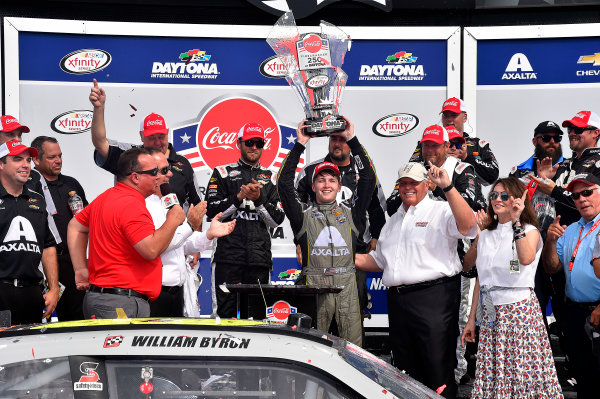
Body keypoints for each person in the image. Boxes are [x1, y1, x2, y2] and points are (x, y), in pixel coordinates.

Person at [355, 162, 477, 398]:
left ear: (427, 185)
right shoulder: (394, 220)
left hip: (434, 299)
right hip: (399, 302)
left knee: (437, 370)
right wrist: (341, 257)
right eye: (404, 183)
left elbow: (469, 226)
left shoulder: (441, 210)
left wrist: (449, 187)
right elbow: (380, 261)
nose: (408, 187)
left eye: (414, 183)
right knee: (405, 373)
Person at [277, 119, 376, 347]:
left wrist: (352, 139)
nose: (327, 184)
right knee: (313, 348)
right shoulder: (302, 214)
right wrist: (300, 144)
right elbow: (283, 183)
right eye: (321, 180)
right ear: (313, 187)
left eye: (332, 180)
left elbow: (368, 179)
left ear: (339, 186)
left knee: (353, 351)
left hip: (347, 286)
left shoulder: (353, 214)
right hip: (315, 285)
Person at [461, 177, 562, 398]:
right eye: (494, 195)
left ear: (516, 200)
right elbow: (474, 271)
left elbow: (525, 258)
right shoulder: (486, 233)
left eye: (504, 196)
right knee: (495, 375)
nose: (497, 199)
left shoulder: (530, 230)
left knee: (521, 375)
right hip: (490, 314)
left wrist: (516, 221)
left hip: (519, 312)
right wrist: (471, 320)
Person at [68, 147, 186, 319]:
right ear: (135, 177)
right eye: (154, 172)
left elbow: (75, 226)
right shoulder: (132, 204)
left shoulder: (106, 197)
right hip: (122, 302)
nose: (159, 177)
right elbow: (150, 250)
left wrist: (79, 269)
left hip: (105, 298)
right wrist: (173, 220)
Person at [294, 121, 386, 331]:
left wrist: (376, 236)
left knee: (354, 309)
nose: (338, 144)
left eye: (342, 139)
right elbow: (296, 211)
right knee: (318, 311)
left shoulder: (362, 172)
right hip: (318, 252)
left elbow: (376, 205)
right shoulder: (311, 172)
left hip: (353, 251)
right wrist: (298, 242)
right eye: (334, 138)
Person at [206, 122, 285, 318]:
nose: (254, 147)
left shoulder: (272, 177)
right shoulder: (222, 173)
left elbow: (276, 220)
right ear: (239, 143)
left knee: (257, 318)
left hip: (259, 259)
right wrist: (238, 197)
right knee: (224, 317)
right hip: (228, 257)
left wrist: (258, 199)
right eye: (249, 142)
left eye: (259, 143)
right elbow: (212, 212)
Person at [145, 148, 236, 317]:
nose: (171, 174)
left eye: (170, 169)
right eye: (165, 170)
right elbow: (157, 245)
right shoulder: (143, 205)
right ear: (151, 174)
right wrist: (191, 225)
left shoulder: (168, 201)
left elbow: (183, 242)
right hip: (154, 294)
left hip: (177, 291)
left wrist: (208, 234)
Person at [89, 79, 201, 207]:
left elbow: (197, 205)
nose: (158, 142)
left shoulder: (183, 163)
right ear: (141, 136)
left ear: (168, 133)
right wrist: (99, 108)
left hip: (175, 225)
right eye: (152, 137)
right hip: (135, 223)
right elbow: (100, 143)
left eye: (161, 136)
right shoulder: (130, 156)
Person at [544, 172, 600, 398]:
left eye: (587, 192)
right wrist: (550, 241)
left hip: (597, 311)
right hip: (575, 313)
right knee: (583, 379)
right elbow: (551, 268)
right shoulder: (571, 229)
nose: (582, 199)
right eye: (576, 196)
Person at [28, 136, 88, 321]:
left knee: (76, 318)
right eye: (52, 157)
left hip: (72, 261)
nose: (58, 160)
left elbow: (87, 218)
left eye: (60, 156)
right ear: (36, 159)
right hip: (40, 261)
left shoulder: (71, 183)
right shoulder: (28, 185)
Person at [0, 140, 59, 325]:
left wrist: (54, 289)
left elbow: (48, 246)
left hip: (32, 292)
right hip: (1, 289)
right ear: (1, 164)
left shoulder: (38, 200)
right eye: (18, 159)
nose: (26, 165)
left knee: (29, 351)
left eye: (28, 160)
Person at [388, 124, 485, 215]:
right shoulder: (414, 170)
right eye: (426, 145)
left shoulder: (462, 170)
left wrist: (437, 188)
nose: (430, 150)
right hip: (420, 228)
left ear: (446, 146)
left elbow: (467, 205)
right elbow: (390, 207)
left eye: (435, 145)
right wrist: (410, 190)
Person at [530, 111, 600, 226]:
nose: (571, 133)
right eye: (569, 130)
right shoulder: (564, 164)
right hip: (556, 237)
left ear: (595, 133)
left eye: (578, 130)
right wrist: (544, 179)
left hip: (587, 235)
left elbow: (594, 203)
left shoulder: (598, 163)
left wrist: (554, 191)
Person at [408, 97, 499, 186]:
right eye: (446, 115)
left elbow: (492, 176)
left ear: (464, 117)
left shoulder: (477, 145)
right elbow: (410, 171)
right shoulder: (428, 143)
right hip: (434, 197)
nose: (449, 119)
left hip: (466, 196)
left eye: (454, 115)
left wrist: (467, 157)